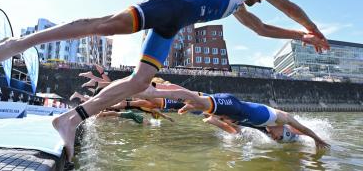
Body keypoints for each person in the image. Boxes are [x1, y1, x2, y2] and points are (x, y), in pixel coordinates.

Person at [0, 0, 330, 160]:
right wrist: (311, 30)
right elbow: (287, 5)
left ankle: (71, 118)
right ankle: (16, 44)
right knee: (104, 24)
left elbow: (264, 28)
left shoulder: (238, 8)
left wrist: (298, 39)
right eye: (258, 0)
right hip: (171, 5)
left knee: (141, 81)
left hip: (174, 25)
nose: (259, 2)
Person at [137, 87, 330, 149]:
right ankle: (155, 90)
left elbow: (299, 135)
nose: (273, 138)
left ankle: (154, 94)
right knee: (196, 99)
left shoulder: (265, 129)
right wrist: (318, 140)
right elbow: (303, 129)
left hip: (226, 111)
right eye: (278, 137)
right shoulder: (282, 118)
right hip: (232, 104)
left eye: (275, 140)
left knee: (187, 104)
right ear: (284, 130)